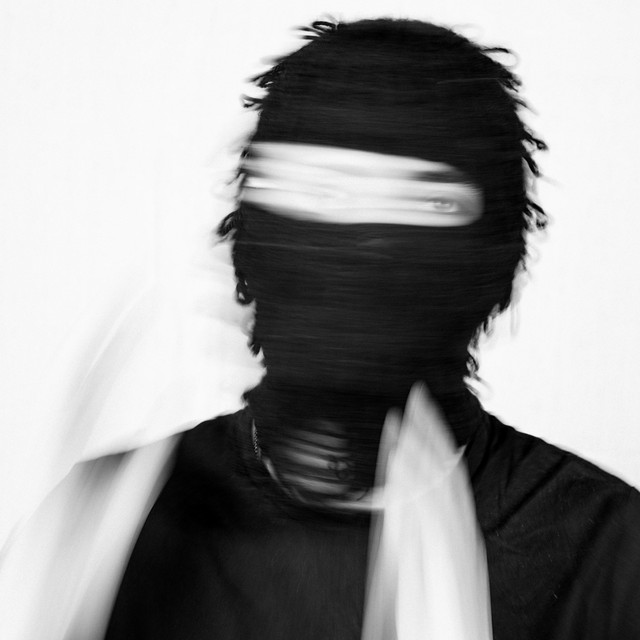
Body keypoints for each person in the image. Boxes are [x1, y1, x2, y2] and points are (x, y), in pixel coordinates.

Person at [100, 17, 640, 639]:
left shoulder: (605, 550)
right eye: (322, 191)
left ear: (500, 255)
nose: (367, 243)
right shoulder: (119, 525)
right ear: (247, 235)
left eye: (430, 201)